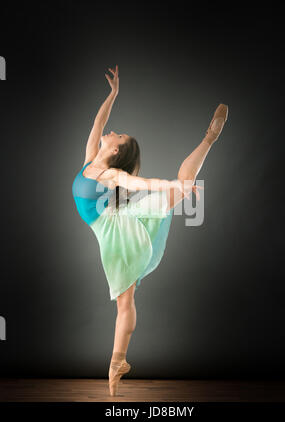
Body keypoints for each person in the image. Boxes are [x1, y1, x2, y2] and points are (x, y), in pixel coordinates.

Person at [72, 65, 228, 396]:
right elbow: (97, 123)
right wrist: (113, 94)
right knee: (125, 303)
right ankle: (117, 363)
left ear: (114, 150)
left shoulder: (108, 175)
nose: (113, 131)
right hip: (115, 223)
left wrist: (170, 184)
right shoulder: (91, 161)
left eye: (119, 135)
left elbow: (138, 182)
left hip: (118, 232)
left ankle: (209, 138)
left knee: (125, 303)